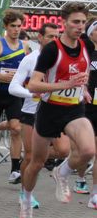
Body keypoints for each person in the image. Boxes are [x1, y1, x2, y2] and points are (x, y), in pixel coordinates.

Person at [20, 2, 95, 218]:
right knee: (36, 162)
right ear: (64, 23)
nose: (80, 26)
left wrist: (83, 88)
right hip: (50, 110)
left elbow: (84, 71)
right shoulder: (52, 50)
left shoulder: (86, 46)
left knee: (89, 150)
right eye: (75, 22)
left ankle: (61, 173)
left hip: (74, 108)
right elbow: (33, 85)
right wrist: (65, 84)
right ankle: (25, 204)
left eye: (83, 22)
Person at [9, 23, 69, 208]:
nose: (54, 40)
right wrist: (31, 94)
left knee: (64, 150)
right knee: (30, 157)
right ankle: (26, 193)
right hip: (31, 113)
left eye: (57, 36)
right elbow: (13, 87)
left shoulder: (60, 59)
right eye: (50, 36)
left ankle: (51, 168)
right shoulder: (30, 59)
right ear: (40, 38)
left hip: (54, 112)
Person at [0, 9, 30, 184]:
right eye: (13, 26)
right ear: (6, 26)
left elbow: (28, 68)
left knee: (16, 128)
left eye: (19, 26)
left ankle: (14, 169)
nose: (16, 29)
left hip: (14, 93)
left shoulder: (25, 46)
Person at [79, 17, 97, 206]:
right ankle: (80, 177)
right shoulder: (83, 52)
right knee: (81, 150)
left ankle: (95, 193)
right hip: (84, 104)